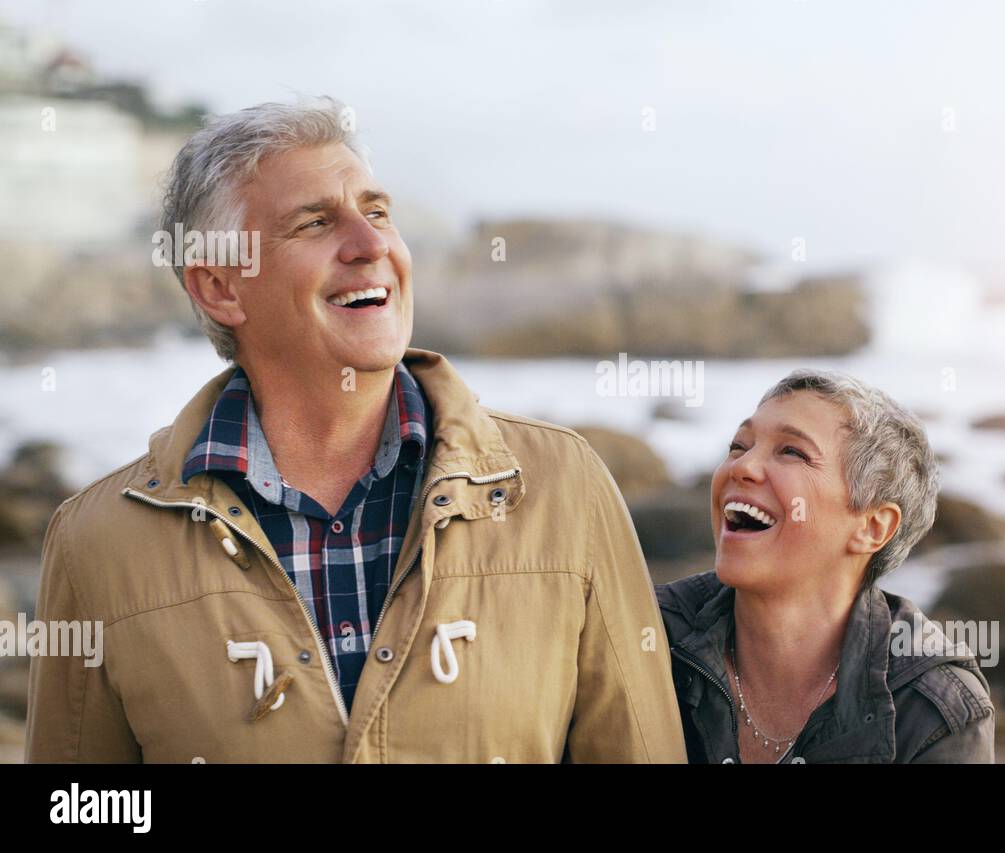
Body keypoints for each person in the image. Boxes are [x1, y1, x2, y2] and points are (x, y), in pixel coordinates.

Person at [25, 96, 686, 763]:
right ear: (221, 286)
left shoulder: (563, 485)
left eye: (376, 212)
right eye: (314, 223)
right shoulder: (97, 543)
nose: (372, 245)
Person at [656, 369, 995, 763]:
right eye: (738, 445)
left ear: (872, 527)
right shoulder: (647, 634)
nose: (742, 467)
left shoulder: (935, 712)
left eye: (791, 452)